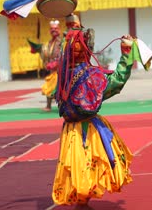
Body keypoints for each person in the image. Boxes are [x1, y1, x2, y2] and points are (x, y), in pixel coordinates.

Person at [51, 14, 136, 208]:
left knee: (78, 165)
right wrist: (126, 54)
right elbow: (115, 82)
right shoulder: (91, 75)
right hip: (88, 128)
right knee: (88, 163)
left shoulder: (63, 74)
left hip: (70, 129)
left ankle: (82, 201)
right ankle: (82, 201)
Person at [28, 20, 62, 112]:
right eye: (51, 29)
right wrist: (37, 50)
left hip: (61, 70)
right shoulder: (50, 42)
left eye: (55, 29)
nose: (53, 30)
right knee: (49, 87)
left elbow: (63, 55)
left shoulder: (61, 42)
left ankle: (60, 107)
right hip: (53, 70)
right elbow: (46, 53)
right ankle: (48, 106)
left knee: (59, 89)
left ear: (59, 29)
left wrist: (57, 63)